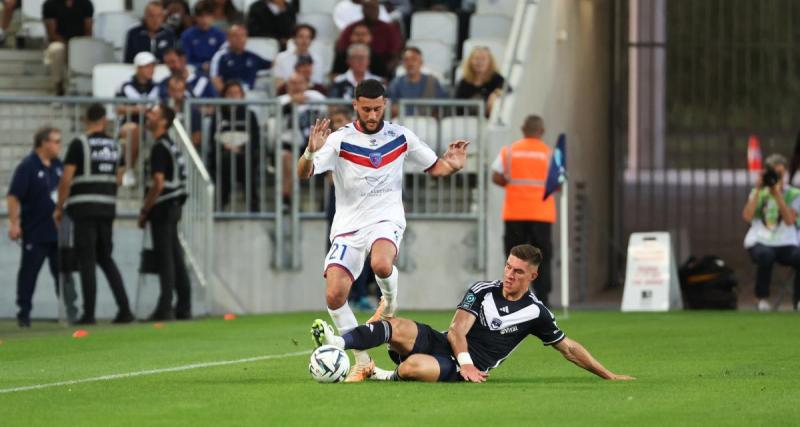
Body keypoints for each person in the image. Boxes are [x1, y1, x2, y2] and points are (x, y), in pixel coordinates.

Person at [297, 79, 470, 381]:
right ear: (356, 106)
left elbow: (436, 167)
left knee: (381, 263)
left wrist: (452, 165)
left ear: (385, 104)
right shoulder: (340, 139)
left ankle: (388, 304)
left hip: (386, 219)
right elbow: (304, 173)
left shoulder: (400, 136)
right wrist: (310, 152)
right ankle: (363, 361)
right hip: (348, 227)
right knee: (335, 296)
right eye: (366, 109)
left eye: (377, 108)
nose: (372, 114)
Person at [311, 244, 636, 383]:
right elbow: (456, 331)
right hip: (445, 346)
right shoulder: (483, 290)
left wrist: (607, 374)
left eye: (518, 271)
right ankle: (337, 342)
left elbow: (568, 348)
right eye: (508, 266)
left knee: (411, 367)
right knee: (393, 325)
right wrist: (464, 361)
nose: (509, 274)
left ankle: (381, 374)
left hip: (464, 368)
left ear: (532, 276)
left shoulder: (536, 313)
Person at [53, 103, 135, 325]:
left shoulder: (80, 143)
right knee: (106, 258)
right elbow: (120, 177)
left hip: (83, 208)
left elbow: (66, 179)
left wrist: (59, 207)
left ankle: (89, 314)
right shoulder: (115, 146)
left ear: (87, 119)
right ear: (104, 121)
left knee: (87, 260)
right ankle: (125, 310)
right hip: (107, 208)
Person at [490, 115, 556, 307]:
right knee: (541, 258)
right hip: (541, 214)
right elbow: (558, 183)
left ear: (522, 129)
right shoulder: (550, 154)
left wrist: (510, 185)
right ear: (541, 131)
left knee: (514, 260)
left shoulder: (510, 151)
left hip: (515, 213)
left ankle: (512, 298)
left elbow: (496, 176)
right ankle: (543, 300)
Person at [138, 104, 192, 321]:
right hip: (174, 205)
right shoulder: (171, 145)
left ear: (162, 121)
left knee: (165, 259)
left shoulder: (160, 146)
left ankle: (165, 307)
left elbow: (158, 182)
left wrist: (145, 208)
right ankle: (183, 306)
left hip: (163, 206)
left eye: (153, 113)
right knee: (175, 256)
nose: (148, 115)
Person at [6, 126, 64, 328]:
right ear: (43, 143)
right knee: (29, 274)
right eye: (56, 141)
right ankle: (24, 312)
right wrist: (14, 223)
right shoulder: (28, 166)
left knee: (62, 274)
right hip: (35, 231)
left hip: (57, 232)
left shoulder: (59, 166)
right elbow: (14, 196)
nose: (59, 145)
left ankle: (67, 311)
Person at [742, 154, 800, 312]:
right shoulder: (758, 193)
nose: (777, 177)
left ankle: (799, 300)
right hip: (760, 241)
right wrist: (759, 189)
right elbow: (747, 216)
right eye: (774, 173)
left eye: (780, 173)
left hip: (785, 242)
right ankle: (761, 299)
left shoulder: (793, 194)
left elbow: (789, 220)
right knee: (765, 255)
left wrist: (778, 194)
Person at [208, 80, 262, 212]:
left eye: (236, 93)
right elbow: (212, 139)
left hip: (244, 154)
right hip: (224, 153)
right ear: (224, 96)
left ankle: (253, 206)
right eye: (229, 93)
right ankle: (221, 204)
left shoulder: (250, 115)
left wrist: (241, 149)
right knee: (225, 162)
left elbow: (255, 140)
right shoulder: (218, 115)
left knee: (246, 163)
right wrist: (225, 146)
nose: (233, 96)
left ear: (242, 95)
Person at [117, 51, 161, 185]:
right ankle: (128, 169)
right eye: (147, 66)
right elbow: (119, 108)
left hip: (152, 124)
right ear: (138, 68)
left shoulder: (157, 87)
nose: (151, 70)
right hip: (130, 123)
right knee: (134, 130)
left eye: (152, 66)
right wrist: (140, 110)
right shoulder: (126, 86)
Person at [335, 0, 402, 78]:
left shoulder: (389, 29)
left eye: (376, 8)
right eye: (369, 8)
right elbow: (341, 49)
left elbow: (395, 54)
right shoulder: (351, 28)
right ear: (363, 10)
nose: (373, 11)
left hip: (381, 70)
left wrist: (386, 73)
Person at [42, 0, 94, 95]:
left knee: (89, 48)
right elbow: (52, 34)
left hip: (80, 44)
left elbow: (88, 31)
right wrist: (69, 45)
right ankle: (58, 85)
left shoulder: (86, 4)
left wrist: (76, 45)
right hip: (60, 43)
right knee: (56, 49)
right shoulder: (50, 4)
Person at [209, 24, 272, 92]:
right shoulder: (220, 56)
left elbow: (272, 64)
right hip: (229, 96)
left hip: (250, 96)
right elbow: (215, 80)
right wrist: (226, 96)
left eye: (243, 36)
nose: (240, 39)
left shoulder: (252, 57)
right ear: (228, 38)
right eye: (235, 36)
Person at [387, 46, 448, 117]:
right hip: (402, 125)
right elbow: (391, 107)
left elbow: (441, 106)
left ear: (421, 62)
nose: (410, 63)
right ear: (403, 64)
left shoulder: (432, 82)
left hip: (428, 125)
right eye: (406, 60)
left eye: (414, 59)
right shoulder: (395, 83)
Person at [455, 46, 506, 116]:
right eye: (476, 59)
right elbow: (457, 106)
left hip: (488, 121)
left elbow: (508, 89)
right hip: (466, 120)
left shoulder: (496, 78)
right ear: (470, 61)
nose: (479, 62)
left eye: (483, 59)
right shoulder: (464, 81)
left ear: (490, 62)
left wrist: (495, 94)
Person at [179, 0, 226, 73]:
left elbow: (223, 58)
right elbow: (186, 60)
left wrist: (211, 66)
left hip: (216, 71)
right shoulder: (187, 36)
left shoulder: (220, 35)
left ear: (213, 17)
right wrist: (200, 66)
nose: (204, 20)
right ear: (195, 17)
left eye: (207, 16)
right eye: (201, 16)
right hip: (194, 72)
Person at [273, 24, 325, 89]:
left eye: (308, 37)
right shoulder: (281, 57)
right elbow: (279, 83)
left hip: (310, 94)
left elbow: (317, 83)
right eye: (301, 37)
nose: (304, 40)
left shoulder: (317, 59)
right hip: (287, 93)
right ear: (294, 38)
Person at [163, 76, 202, 147]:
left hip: (185, 149)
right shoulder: (162, 108)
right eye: (173, 90)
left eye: (180, 90)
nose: (176, 94)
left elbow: (197, 137)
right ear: (168, 90)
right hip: (166, 147)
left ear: (184, 90)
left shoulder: (193, 111)